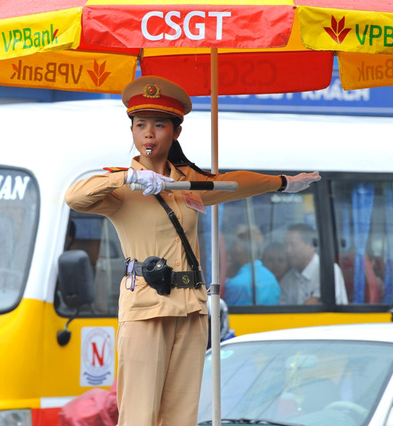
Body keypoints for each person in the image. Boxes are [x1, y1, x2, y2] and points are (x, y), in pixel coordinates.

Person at [64, 75, 321, 426]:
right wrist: (127, 179)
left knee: (180, 416)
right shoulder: (121, 188)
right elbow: (75, 196)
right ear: (133, 133)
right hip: (146, 307)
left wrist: (284, 183)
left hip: (191, 306)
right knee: (140, 414)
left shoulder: (188, 181)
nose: (149, 133)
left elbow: (234, 183)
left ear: (176, 132)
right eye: (140, 125)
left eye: (158, 125)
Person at [280, 223, 348, 305]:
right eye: (285, 245)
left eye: (293, 245)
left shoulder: (328, 270)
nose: (288, 250)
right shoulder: (288, 278)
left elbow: (317, 303)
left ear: (311, 245)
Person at [224, 234, 280, 305]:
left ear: (237, 250)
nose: (229, 255)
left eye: (230, 250)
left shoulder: (234, 285)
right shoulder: (272, 279)